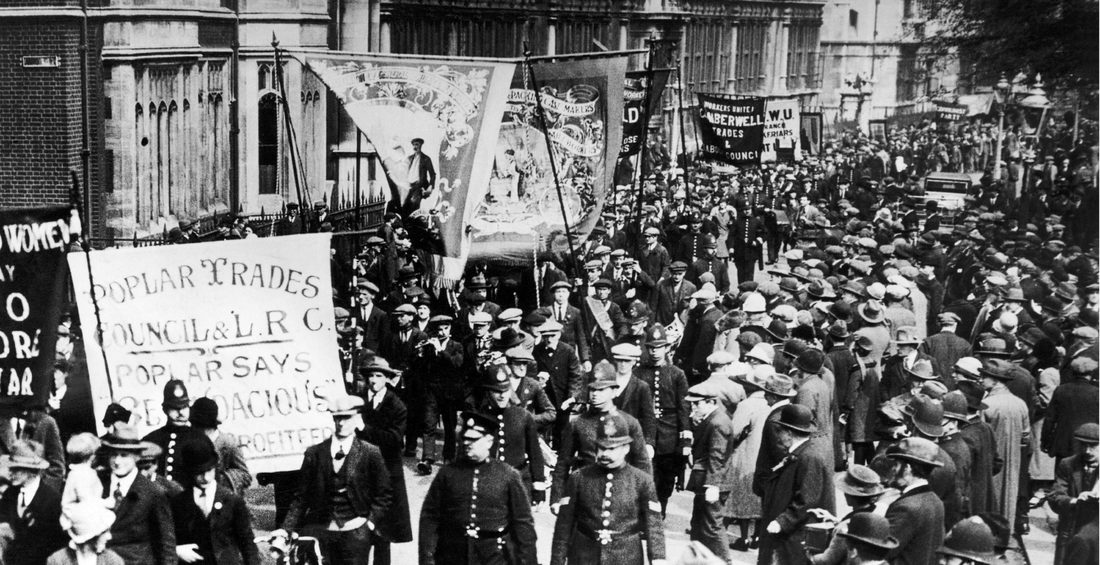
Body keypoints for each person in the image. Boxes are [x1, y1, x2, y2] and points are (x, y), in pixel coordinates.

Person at [277, 395, 393, 565]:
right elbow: (301, 498)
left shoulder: (370, 453)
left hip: (356, 531)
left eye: (347, 418)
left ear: (356, 419)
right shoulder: (315, 453)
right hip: (322, 532)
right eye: (338, 418)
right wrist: (286, 529)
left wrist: (370, 523)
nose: (342, 423)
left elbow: (384, 493)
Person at [418, 412, 537, 565]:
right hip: (452, 555)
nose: (467, 443)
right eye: (465, 438)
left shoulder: (508, 475)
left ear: (489, 441)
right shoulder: (447, 474)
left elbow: (523, 524)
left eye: (474, 439)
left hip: (494, 557)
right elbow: (430, 517)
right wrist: (427, 558)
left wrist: (528, 561)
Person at [550, 411, 666, 565]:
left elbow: (654, 524)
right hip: (584, 556)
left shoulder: (642, 481)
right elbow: (564, 525)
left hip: (626, 556)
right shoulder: (579, 478)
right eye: (601, 448)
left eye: (612, 449)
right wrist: (557, 559)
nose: (605, 454)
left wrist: (658, 558)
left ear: (626, 448)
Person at [758, 403, 835, 565]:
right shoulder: (803, 452)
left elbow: (808, 499)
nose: (778, 437)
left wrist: (782, 521)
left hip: (795, 536)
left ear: (788, 433)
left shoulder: (809, 457)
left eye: (780, 432)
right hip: (791, 534)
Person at [355, 357, 413, 564]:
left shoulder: (397, 406)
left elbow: (395, 440)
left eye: (379, 375)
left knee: (383, 531)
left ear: (387, 378)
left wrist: (365, 429)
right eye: (370, 375)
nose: (373, 380)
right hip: (360, 471)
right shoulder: (357, 401)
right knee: (358, 526)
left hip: (386, 472)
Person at [170, 437, 259, 565]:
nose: (205, 478)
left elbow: (247, 542)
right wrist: (177, 550)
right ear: (189, 472)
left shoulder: (232, 500)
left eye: (209, 471)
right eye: (199, 473)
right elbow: (168, 538)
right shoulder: (178, 502)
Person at [99, 424, 177, 565]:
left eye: (124, 455)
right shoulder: (97, 484)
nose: (117, 461)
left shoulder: (153, 493)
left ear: (136, 457)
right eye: (113, 455)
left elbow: (166, 544)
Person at [634, 325, 690, 516]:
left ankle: (660, 512)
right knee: (646, 474)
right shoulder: (639, 372)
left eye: (659, 347)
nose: (654, 351)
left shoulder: (677, 374)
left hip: (669, 434)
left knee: (666, 479)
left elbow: (683, 407)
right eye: (651, 347)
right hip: (644, 432)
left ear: (667, 348)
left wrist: (685, 440)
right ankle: (645, 514)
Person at [0, 440, 68, 565]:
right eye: (11, 468)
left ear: (32, 471)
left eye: (17, 469)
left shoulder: (52, 501)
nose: (11, 473)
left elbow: (57, 544)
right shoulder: (9, 495)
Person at [883, 437, 946, 565]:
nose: (893, 470)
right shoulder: (935, 500)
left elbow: (883, 550)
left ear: (907, 468)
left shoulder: (907, 507)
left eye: (896, 464)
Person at [1048, 423, 1099, 565]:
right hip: (1071, 529)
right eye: (1083, 445)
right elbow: (1055, 496)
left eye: (1093, 446)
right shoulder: (1068, 464)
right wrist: (1075, 501)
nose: (1087, 451)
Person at [142, 380, 208, 485]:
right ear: (165, 409)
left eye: (185, 407)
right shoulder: (151, 440)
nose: (181, 413)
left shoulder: (201, 440)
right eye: (175, 408)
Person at [187, 398, 251, 496]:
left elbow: (245, 475)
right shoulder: (189, 442)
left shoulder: (228, 443)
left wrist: (222, 479)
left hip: (223, 499)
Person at [47, 503, 126, 565]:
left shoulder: (113, 561)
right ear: (90, 537)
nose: (109, 537)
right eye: (104, 532)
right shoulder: (58, 561)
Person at [402, 137, 435, 217]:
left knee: (414, 204)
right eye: (413, 145)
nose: (415, 147)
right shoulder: (409, 159)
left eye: (417, 144)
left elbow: (432, 174)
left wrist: (430, 187)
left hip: (419, 186)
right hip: (408, 186)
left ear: (421, 145)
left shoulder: (426, 159)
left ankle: (413, 225)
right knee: (403, 205)